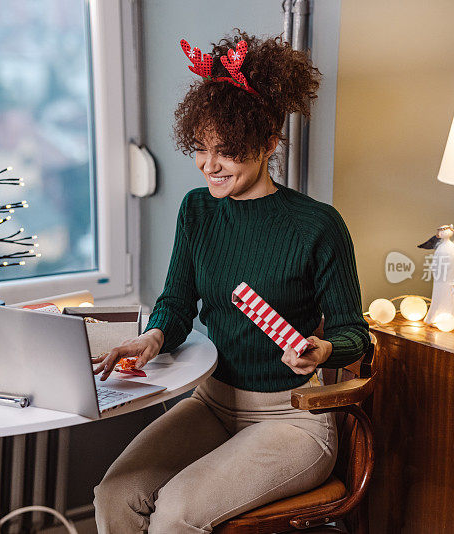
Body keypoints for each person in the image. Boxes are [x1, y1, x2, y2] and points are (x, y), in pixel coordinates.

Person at [92, 30, 370, 533]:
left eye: (226, 152)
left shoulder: (318, 225)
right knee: (116, 495)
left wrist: (321, 349)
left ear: (268, 143)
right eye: (200, 148)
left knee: (175, 513)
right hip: (211, 402)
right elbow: (176, 302)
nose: (207, 165)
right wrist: (153, 336)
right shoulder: (197, 211)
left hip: (293, 421)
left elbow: (355, 333)